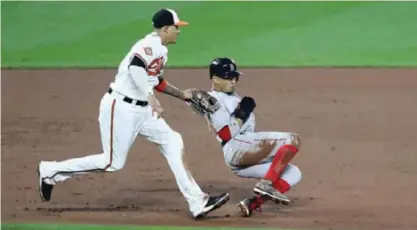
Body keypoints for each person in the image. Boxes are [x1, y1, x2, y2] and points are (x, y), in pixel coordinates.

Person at [37, 9, 230, 220]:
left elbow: (156, 81)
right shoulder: (149, 46)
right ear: (166, 29)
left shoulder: (161, 50)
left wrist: (181, 95)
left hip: (143, 112)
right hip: (120, 108)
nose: (179, 31)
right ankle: (50, 171)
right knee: (112, 162)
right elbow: (135, 68)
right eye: (176, 27)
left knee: (173, 141)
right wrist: (151, 98)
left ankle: (197, 202)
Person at [202, 57, 302, 217]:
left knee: (293, 172)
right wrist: (241, 114)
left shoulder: (234, 99)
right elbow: (226, 134)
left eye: (235, 77)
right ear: (214, 78)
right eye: (228, 77)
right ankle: (266, 184)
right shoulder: (213, 100)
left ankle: (252, 204)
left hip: (244, 151)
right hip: (236, 147)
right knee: (292, 140)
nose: (233, 81)